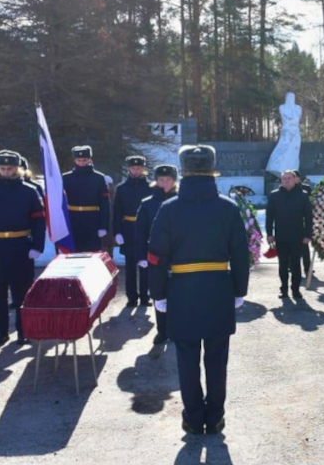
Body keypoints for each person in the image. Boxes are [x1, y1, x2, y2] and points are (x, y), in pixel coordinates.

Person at [148, 145, 250, 435]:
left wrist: (159, 293)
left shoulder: (168, 209)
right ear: (212, 170)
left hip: (182, 291)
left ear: (183, 171)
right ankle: (215, 416)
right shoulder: (228, 207)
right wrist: (239, 290)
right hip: (219, 290)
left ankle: (193, 418)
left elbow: (156, 255)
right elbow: (241, 254)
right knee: (217, 359)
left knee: (187, 358)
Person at [0, 150, 46, 347]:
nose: (6, 172)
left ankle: (23, 332)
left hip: (21, 247)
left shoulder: (29, 192)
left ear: (18, 169)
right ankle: (1, 332)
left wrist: (37, 246)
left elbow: (39, 222)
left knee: (22, 293)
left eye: (10, 168)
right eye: (3, 168)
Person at [135, 164, 179, 344]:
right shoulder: (147, 204)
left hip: (178, 255)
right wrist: (141, 256)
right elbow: (140, 232)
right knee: (159, 293)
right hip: (157, 255)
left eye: (168, 179)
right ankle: (162, 330)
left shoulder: (182, 201)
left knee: (178, 294)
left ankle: (177, 329)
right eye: (161, 180)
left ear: (174, 181)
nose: (164, 183)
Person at [113, 156, 153, 308]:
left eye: (139, 168)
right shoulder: (121, 188)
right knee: (130, 265)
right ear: (128, 168)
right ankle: (131, 297)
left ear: (143, 168)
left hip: (146, 229)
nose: (136, 170)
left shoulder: (151, 187)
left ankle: (144, 296)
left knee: (145, 264)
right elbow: (117, 212)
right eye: (133, 167)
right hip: (128, 228)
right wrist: (117, 232)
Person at [266, 170, 313, 300]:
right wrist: (269, 234)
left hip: (297, 236)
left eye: (289, 178)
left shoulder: (302, 195)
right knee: (283, 265)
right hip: (281, 236)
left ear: (295, 180)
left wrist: (308, 234)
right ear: (281, 181)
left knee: (295, 265)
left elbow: (309, 217)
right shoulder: (274, 195)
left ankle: (296, 290)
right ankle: (284, 289)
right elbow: (269, 217)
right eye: (284, 178)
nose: (286, 180)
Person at [62, 146, 110, 252]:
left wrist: (103, 226)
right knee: (74, 252)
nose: (82, 162)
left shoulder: (98, 178)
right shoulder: (66, 178)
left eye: (84, 160)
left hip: (92, 220)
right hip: (73, 219)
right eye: (79, 160)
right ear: (74, 160)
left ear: (89, 160)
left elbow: (104, 203)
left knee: (92, 253)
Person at [293, 170, 313, 276]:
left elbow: (310, 202)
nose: (293, 179)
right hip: (292, 223)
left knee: (305, 247)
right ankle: (292, 267)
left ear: (299, 178)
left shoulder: (306, 188)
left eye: (294, 177)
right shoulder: (287, 189)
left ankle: (307, 267)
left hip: (304, 221)